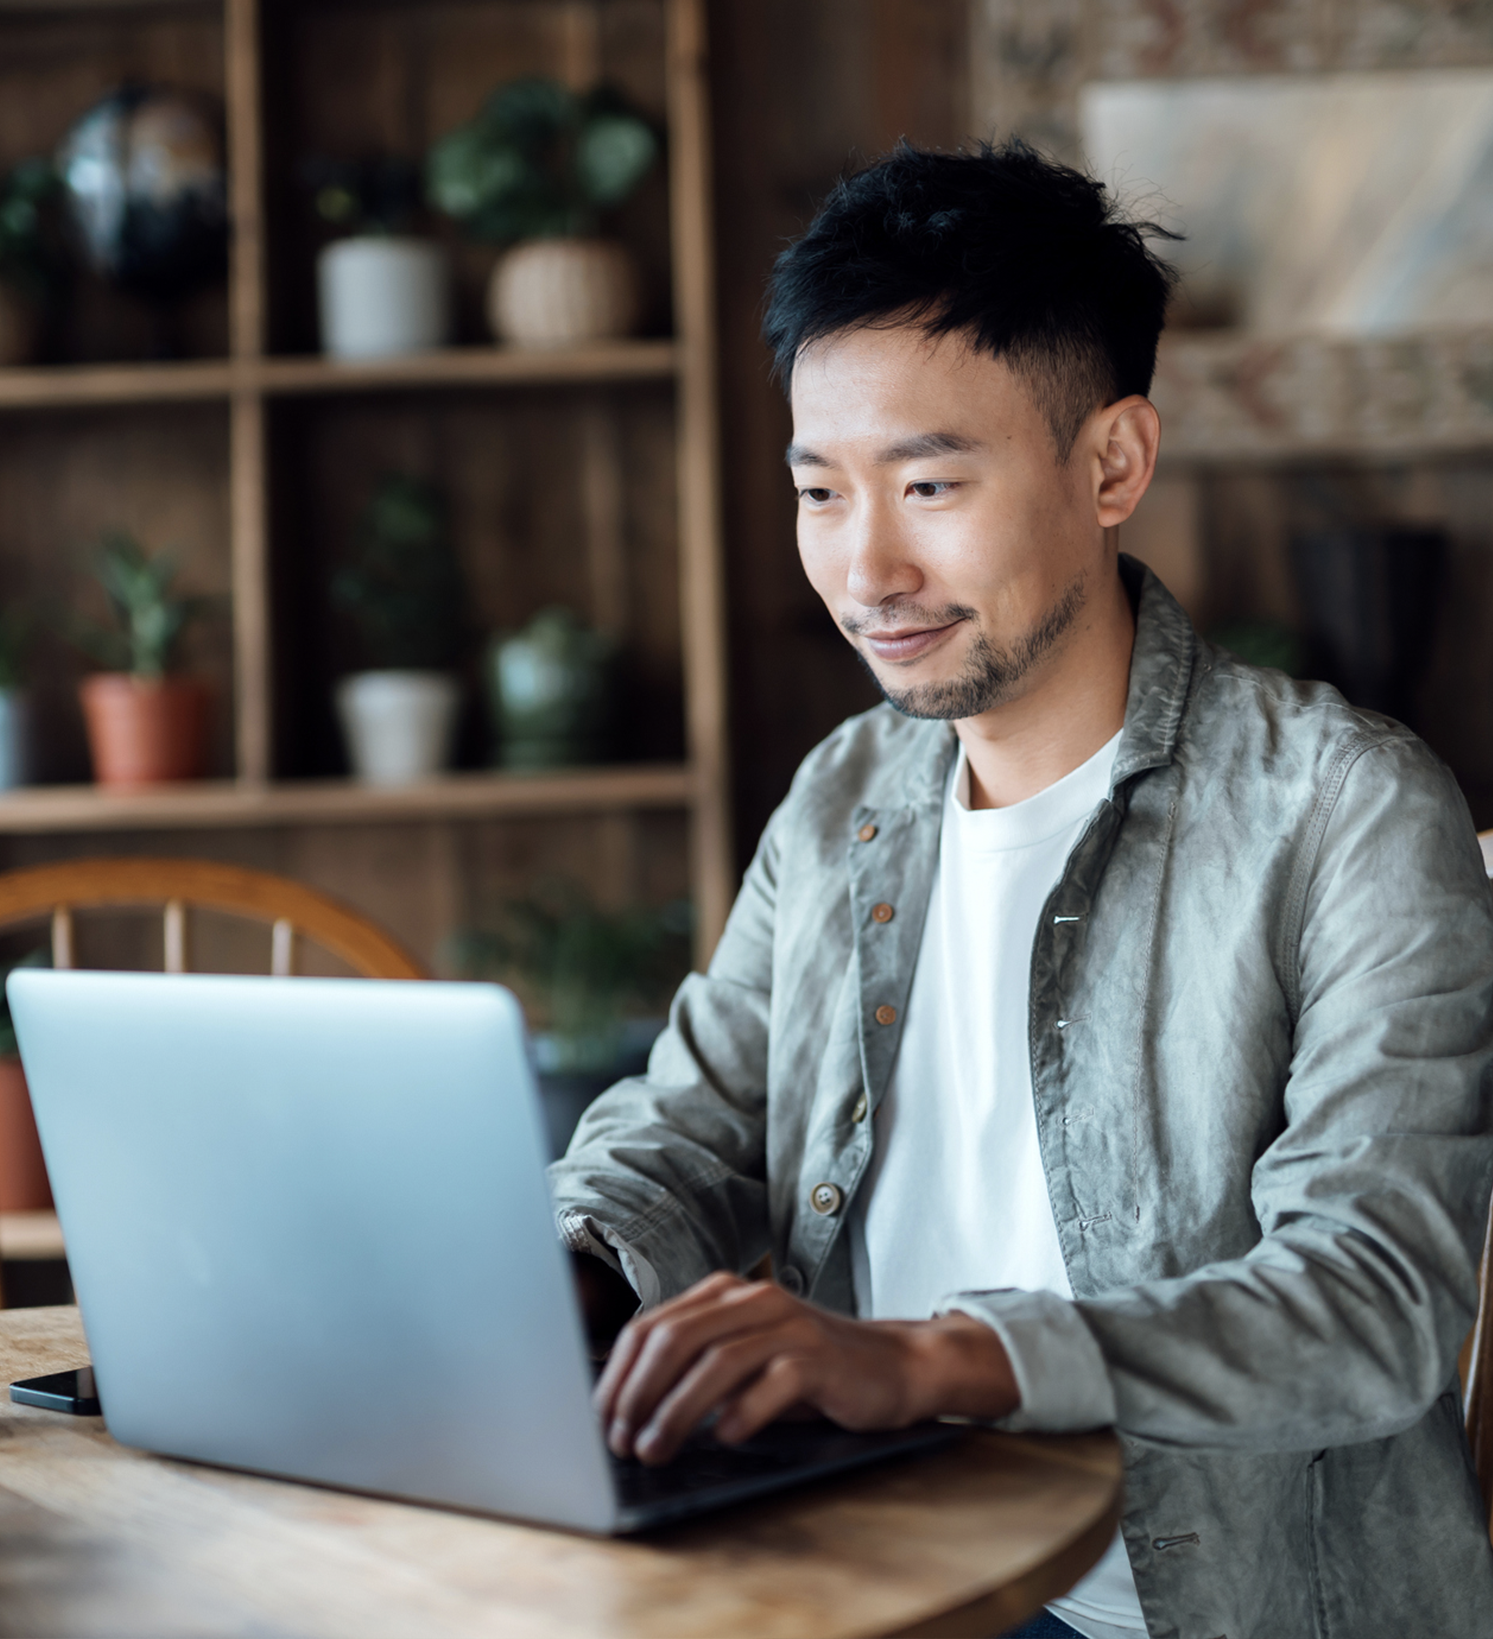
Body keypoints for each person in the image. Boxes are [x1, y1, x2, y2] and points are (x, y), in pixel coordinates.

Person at [550, 140, 1493, 1639]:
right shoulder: (842, 796)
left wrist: (936, 1359)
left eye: (929, 483)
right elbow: (687, 1126)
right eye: (819, 490)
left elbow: (1374, 1301)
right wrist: (564, 1266)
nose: (867, 568)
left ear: (1112, 463)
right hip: (870, 1563)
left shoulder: (1349, 809)